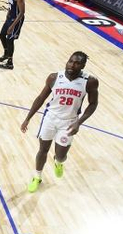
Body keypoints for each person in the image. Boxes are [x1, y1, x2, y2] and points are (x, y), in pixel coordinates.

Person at [20, 52, 99, 193]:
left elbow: (93, 104)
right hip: (50, 118)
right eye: (70, 61)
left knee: (61, 155)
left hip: (69, 122)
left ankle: (58, 162)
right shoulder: (54, 77)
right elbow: (40, 98)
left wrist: (79, 122)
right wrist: (28, 118)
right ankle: (37, 177)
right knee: (43, 150)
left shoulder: (90, 81)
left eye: (77, 63)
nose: (72, 65)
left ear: (83, 66)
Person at [0, 0, 25, 70]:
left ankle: (10, 63)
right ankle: (6, 53)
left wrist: (12, 26)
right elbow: (10, 6)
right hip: (10, 18)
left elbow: (22, 13)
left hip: (17, 20)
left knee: (9, 40)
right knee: (2, 35)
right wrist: (7, 15)